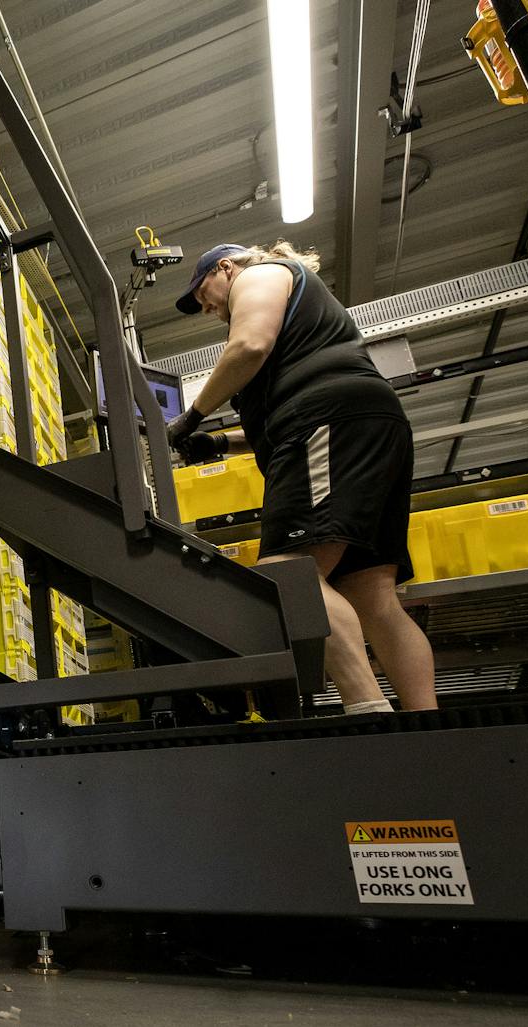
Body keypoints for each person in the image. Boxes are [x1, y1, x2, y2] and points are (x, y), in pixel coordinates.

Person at [165, 242, 436, 714]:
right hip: (363, 422)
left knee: (287, 576)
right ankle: (427, 722)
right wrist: (219, 443)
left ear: (226, 267)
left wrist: (191, 416)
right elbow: (281, 416)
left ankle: (370, 715)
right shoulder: (303, 324)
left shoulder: (262, 275)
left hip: (330, 419)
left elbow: (249, 346)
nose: (204, 307)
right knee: (372, 599)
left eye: (202, 291)